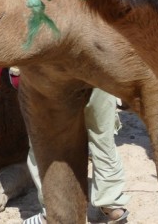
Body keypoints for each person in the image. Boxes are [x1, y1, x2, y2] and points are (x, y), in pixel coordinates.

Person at [21, 89, 128, 224]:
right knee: (103, 139)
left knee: (42, 142)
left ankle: (52, 212)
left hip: (54, 82)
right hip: (99, 81)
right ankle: (112, 205)